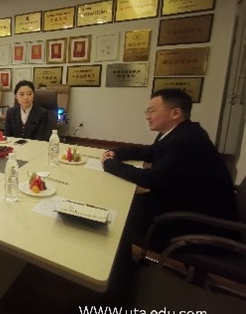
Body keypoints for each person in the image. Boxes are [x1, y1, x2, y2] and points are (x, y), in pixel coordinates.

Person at [101, 88, 238, 247]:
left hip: (199, 224)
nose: (147, 117)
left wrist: (109, 164)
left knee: (119, 218)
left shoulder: (186, 141)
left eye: (152, 111)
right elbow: (151, 151)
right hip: (183, 203)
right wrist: (117, 153)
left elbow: (150, 179)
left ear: (175, 113)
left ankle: (122, 262)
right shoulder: (180, 131)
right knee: (123, 204)